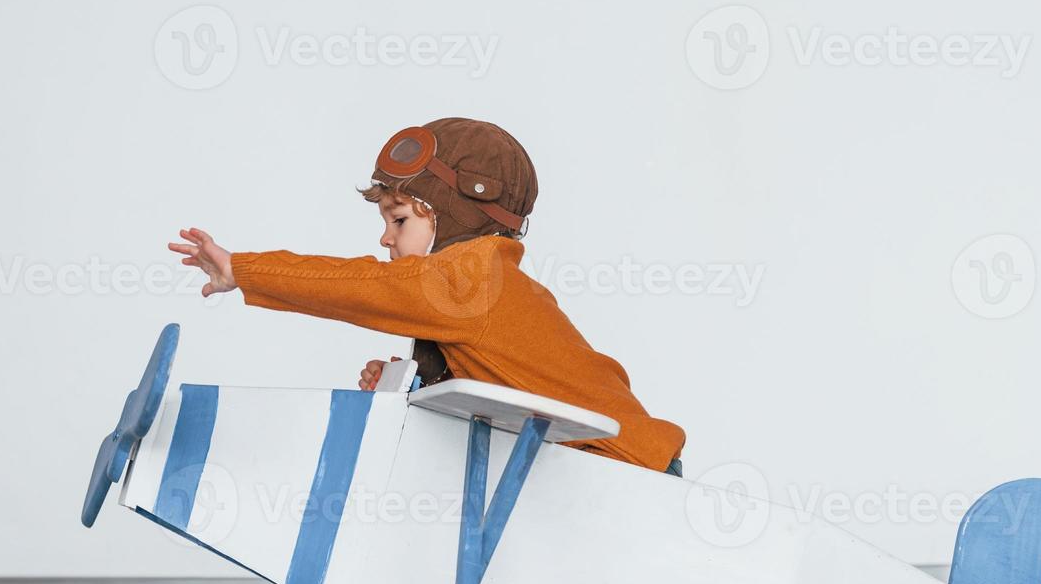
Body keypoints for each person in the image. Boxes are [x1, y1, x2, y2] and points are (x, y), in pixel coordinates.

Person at [168, 118, 685, 475]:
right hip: (596, 464)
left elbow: (360, 288)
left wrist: (245, 269)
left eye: (400, 220)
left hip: (619, 471)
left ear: (458, 213)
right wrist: (417, 386)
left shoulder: (469, 280)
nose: (386, 239)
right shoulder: (476, 287)